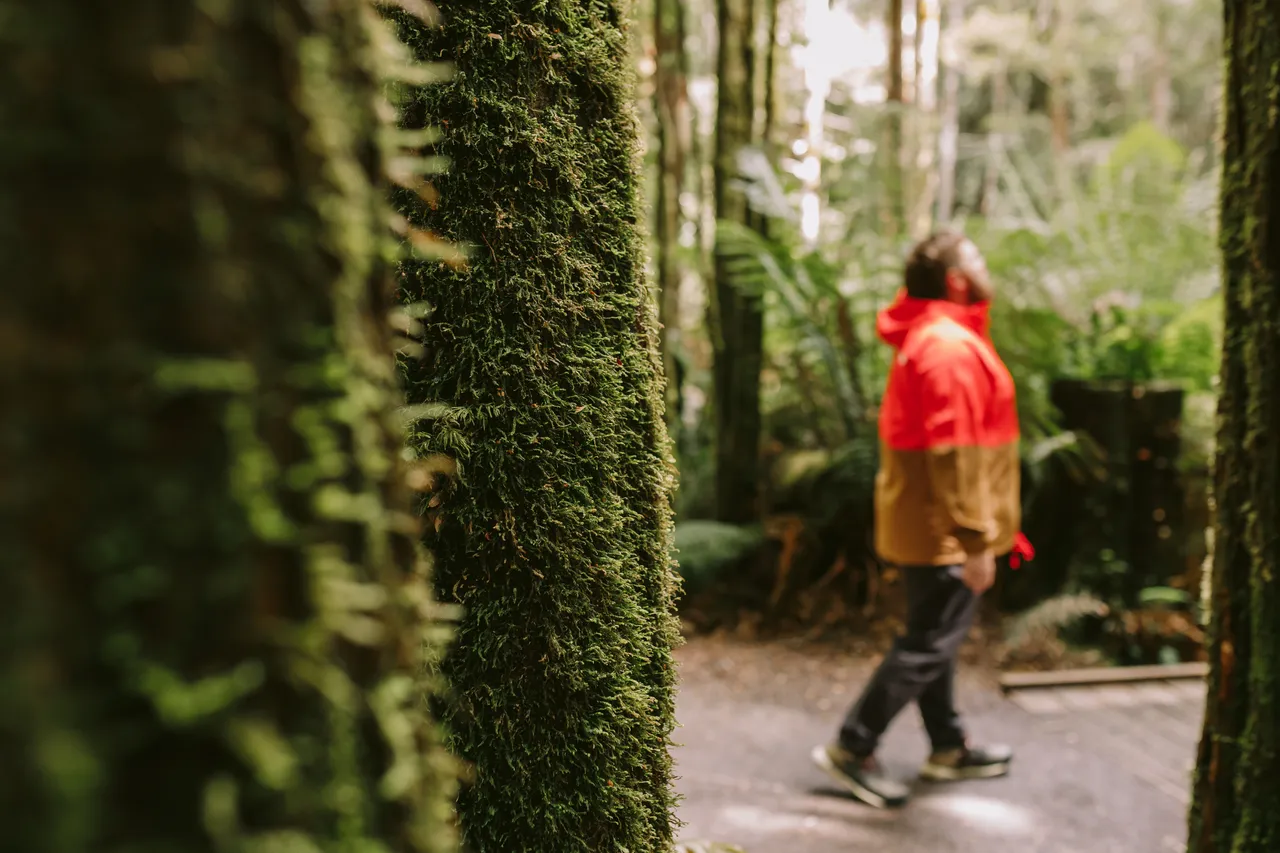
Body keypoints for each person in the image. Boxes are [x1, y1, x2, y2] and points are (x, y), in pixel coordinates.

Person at [811, 230, 1032, 809]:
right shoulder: (947, 346)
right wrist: (975, 540)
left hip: (933, 526)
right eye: (977, 256)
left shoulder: (942, 338)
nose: (987, 266)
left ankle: (947, 746)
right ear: (955, 279)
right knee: (929, 641)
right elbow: (952, 453)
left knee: (937, 637)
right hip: (942, 533)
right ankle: (852, 747)